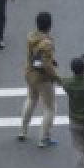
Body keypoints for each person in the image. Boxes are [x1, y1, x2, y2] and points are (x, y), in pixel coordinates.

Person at [20, 11, 58, 146]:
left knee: (31, 99)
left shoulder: (31, 37)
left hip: (30, 73)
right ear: (49, 26)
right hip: (42, 78)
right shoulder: (47, 43)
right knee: (50, 107)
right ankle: (44, 137)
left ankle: (23, 130)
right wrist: (57, 77)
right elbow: (47, 66)